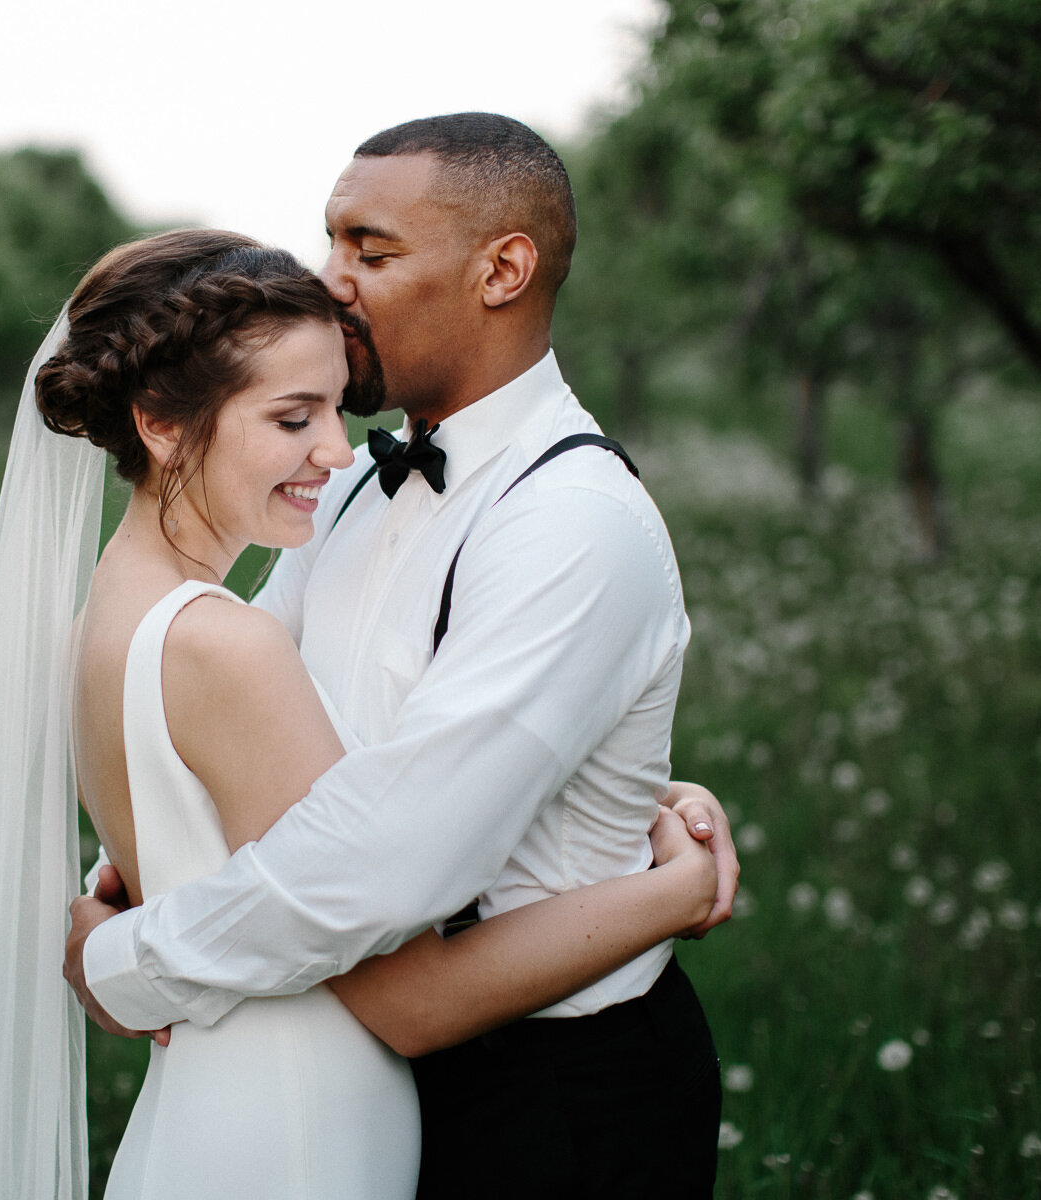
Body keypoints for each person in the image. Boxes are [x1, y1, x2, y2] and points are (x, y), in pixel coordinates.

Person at [0, 227, 721, 1200]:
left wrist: (616, 788)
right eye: (292, 418)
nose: (336, 448)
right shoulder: (228, 644)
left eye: (332, 408)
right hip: (296, 1124)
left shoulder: (106, 620)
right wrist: (674, 892)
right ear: (161, 423)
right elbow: (402, 980)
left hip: (217, 1098)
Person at [67, 114, 734, 1198]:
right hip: (367, 1058)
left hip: (555, 1091)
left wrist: (123, 964)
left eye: (369, 253)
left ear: (502, 270)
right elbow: (233, 722)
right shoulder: (349, 489)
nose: (330, 284)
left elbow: (384, 865)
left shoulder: (571, 519)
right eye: (328, 244)